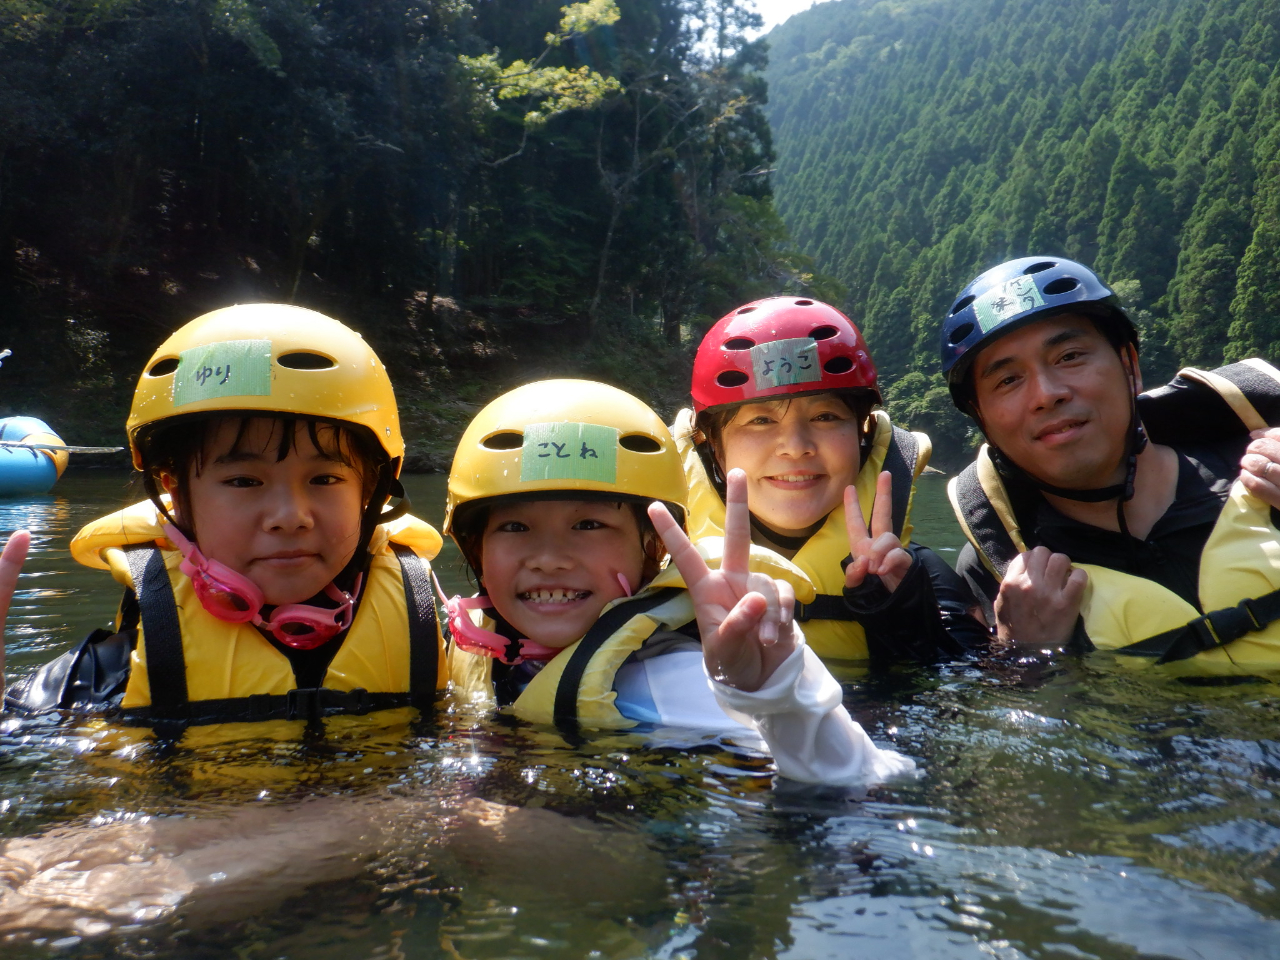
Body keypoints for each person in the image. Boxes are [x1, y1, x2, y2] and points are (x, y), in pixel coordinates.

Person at [440, 378, 915, 786]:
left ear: (653, 549)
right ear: (474, 546)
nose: (549, 559)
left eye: (589, 525)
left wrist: (778, 695)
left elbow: (869, 779)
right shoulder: (464, 643)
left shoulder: (671, 680)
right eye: (514, 527)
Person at [2, 303, 447, 724]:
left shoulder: (430, 639)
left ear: (373, 489)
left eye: (325, 480)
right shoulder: (106, 675)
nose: (290, 517)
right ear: (175, 489)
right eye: (243, 482)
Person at [941, 256, 1280, 673]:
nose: (1047, 394)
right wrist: (1022, 653)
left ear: (1130, 366)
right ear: (982, 420)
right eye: (1008, 380)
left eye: (1069, 356)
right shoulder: (1002, 570)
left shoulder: (1263, 471)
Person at [673, 296, 988, 664]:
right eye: (760, 420)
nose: (795, 447)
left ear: (863, 434)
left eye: (824, 416)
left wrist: (908, 624)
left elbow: (974, 686)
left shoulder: (912, 577)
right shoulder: (656, 573)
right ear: (712, 445)